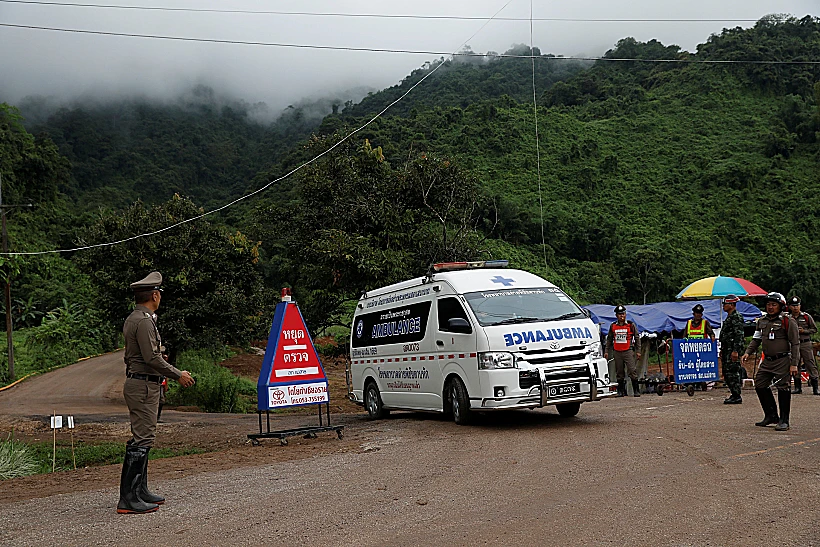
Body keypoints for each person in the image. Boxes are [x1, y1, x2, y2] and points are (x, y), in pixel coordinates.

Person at [118, 271, 195, 514]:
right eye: (159, 293)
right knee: (143, 439)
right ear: (154, 295)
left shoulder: (138, 318)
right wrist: (177, 374)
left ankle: (139, 491)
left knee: (143, 438)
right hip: (143, 386)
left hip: (144, 383)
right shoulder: (143, 321)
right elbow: (151, 357)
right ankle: (129, 498)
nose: (160, 296)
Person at [741, 292, 799, 431]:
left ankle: (784, 420)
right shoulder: (762, 321)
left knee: (783, 388)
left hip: (782, 360)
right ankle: (771, 415)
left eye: (774, 304)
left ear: (780, 306)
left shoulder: (787, 321)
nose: (770, 307)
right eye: (768, 304)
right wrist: (748, 352)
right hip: (767, 360)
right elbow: (756, 339)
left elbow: (795, 343)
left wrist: (794, 364)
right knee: (760, 384)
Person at [605, 305, 642, 397]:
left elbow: (637, 338)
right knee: (619, 372)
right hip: (617, 351)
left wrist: (638, 351)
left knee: (632, 370)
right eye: (620, 314)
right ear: (616, 315)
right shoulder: (613, 326)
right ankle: (621, 391)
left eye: (623, 314)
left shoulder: (630, 325)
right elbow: (609, 339)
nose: (622, 316)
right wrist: (606, 350)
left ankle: (636, 390)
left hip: (628, 351)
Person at [787, 296, 819, 395]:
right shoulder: (788, 318)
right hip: (793, 344)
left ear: (800, 306)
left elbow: (814, 329)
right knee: (795, 363)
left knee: (810, 363)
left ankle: (815, 387)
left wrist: (803, 331)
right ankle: (797, 387)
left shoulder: (806, 316)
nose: (795, 308)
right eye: (793, 306)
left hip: (805, 343)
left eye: (797, 305)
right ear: (789, 307)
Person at [719, 295, 746, 405]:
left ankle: (736, 395)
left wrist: (735, 351)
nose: (723, 306)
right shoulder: (730, 317)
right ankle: (733, 393)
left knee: (733, 372)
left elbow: (738, 335)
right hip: (727, 349)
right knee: (727, 371)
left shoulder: (736, 317)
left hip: (732, 350)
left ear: (731, 305)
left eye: (725, 304)